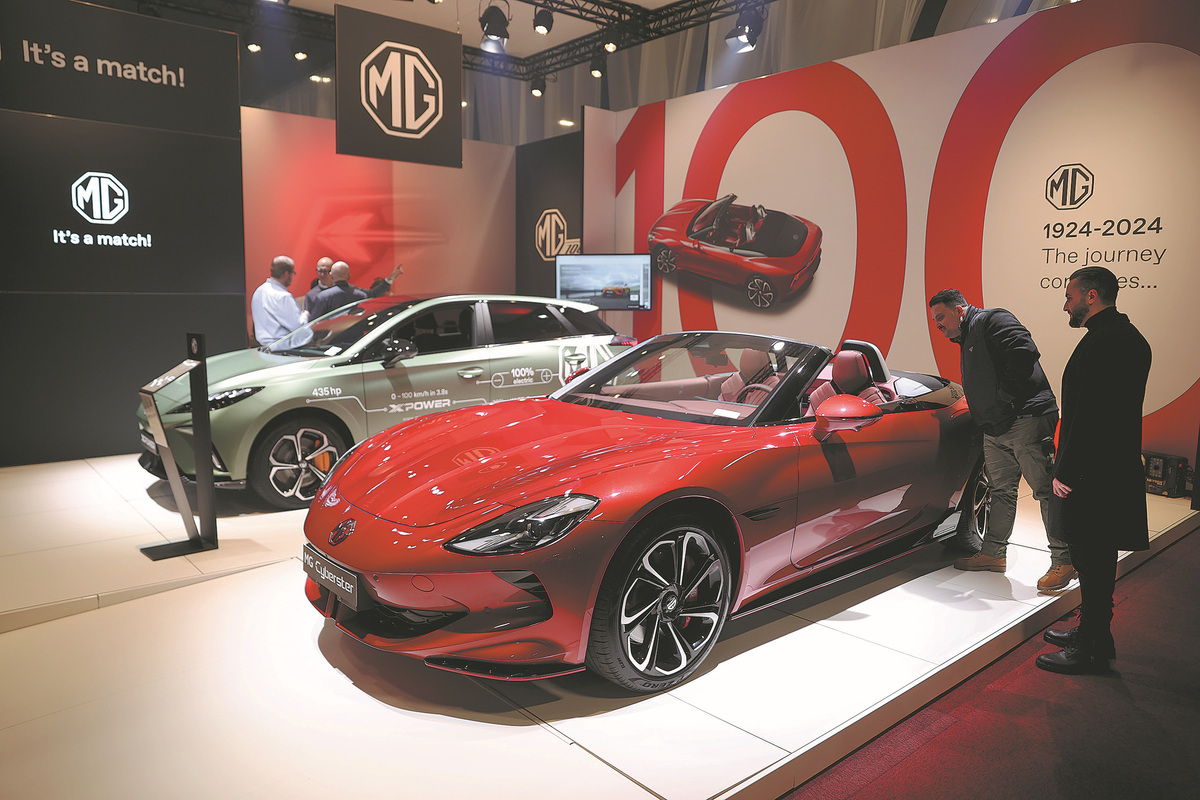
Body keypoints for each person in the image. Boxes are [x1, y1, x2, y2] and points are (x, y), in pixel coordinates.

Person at [1037, 267, 1151, 675]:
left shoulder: (1105, 342)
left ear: (1091, 296)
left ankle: (1090, 647)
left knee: (1092, 558)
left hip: (1093, 473)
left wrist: (1066, 471)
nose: (1065, 305)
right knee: (1094, 558)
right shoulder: (1125, 337)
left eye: (1070, 296)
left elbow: (1091, 416)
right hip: (1107, 468)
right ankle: (1095, 635)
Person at [929, 289, 1073, 591]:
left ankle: (1065, 560)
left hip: (1026, 418)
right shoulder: (969, 335)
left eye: (941, 317)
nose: (938, 325)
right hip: (997, 426)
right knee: (1000, 491)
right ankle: (994, 553)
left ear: (959, 310)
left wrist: (1004, 400)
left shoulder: (993, 319)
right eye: (934, 320)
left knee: (1045, 492)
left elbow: (1024, 353)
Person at [309, 261, 403, 319]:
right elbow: (373, 294)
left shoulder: (322, 297)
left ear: (331, 276)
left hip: (330, 342)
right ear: (349, 276)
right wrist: (391, 278)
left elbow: (314, 324)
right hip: (357, 341)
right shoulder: (361, 295)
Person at [250, 255, 305, 347]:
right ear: (286, 274)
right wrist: (305, 316)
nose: (292, 277)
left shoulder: (258, 291)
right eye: (293, 273)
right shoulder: (283, 296)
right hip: (284, 349)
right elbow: (298, 327)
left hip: (263, 348)